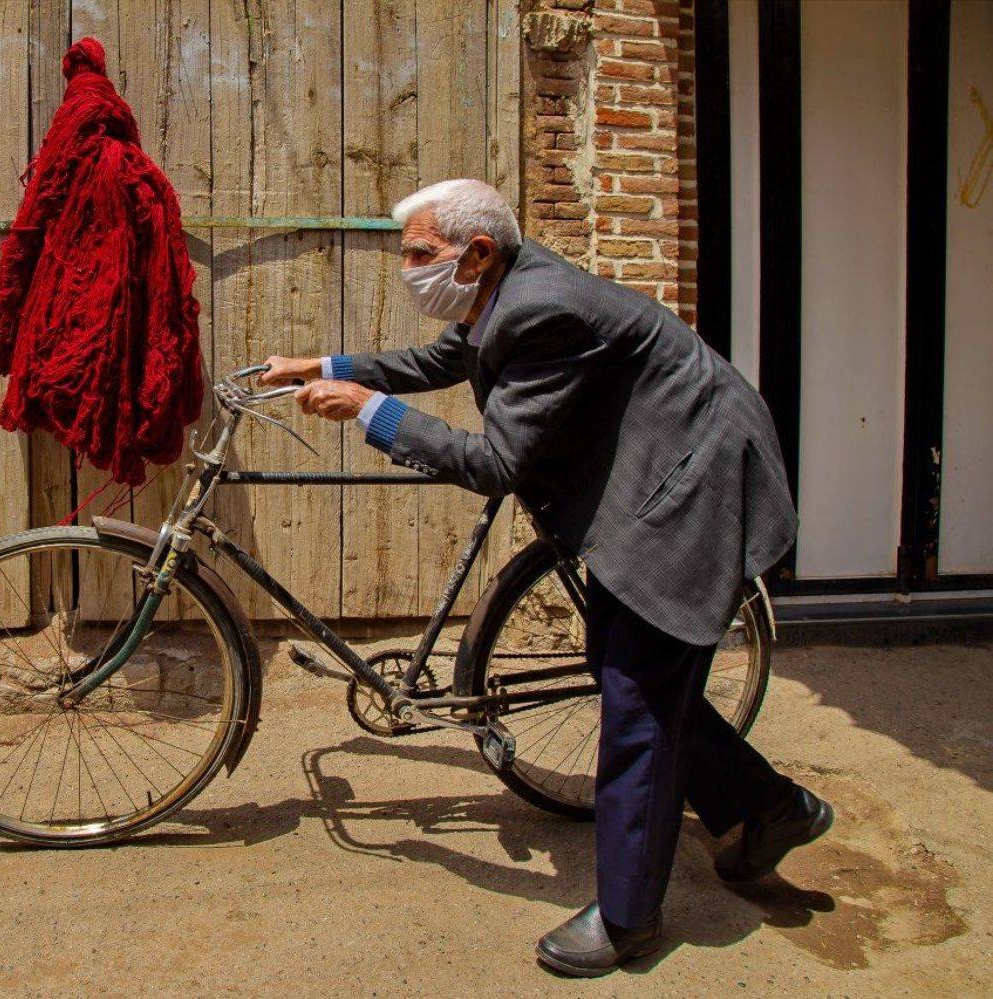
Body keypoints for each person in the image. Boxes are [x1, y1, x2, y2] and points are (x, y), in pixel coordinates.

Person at [258, 178, 834, 978]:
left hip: (692, 484)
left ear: (477, 252)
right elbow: (445, 358)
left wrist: (368, 410)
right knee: (622, 665)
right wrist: (321, 364)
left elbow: (496, 463)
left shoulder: (540, 306)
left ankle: (630, 919)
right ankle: (772, 807)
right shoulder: (505, 289)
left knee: (638, 699)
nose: (408, 270)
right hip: (656, 469)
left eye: (420, 254)